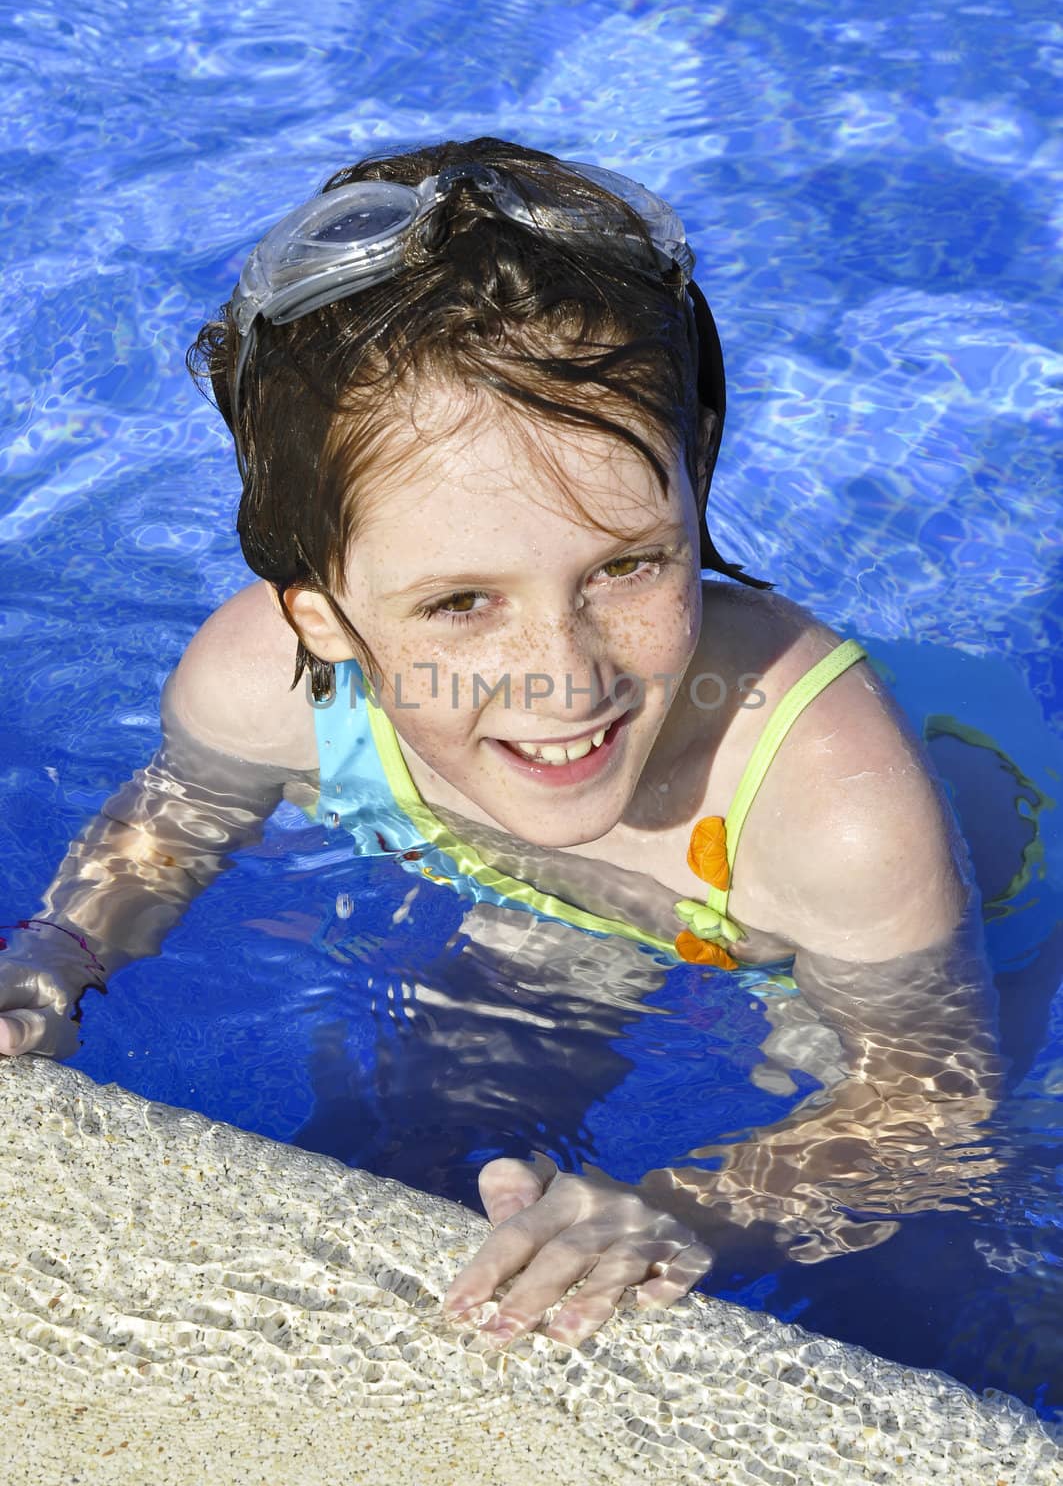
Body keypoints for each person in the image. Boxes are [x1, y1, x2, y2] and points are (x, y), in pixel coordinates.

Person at [0, 136, 1003, 1350]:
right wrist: (57, 954)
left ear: (694, 484)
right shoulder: (261, 686)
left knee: (934, 1288)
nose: (568, 679)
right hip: (570, 897)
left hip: (908, 900)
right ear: (320, 615)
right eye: (460, 602)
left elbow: (931, 1102)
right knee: (401, 1151)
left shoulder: (831, 805)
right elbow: (173, 820)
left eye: (628, 563)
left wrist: (679, 1204)